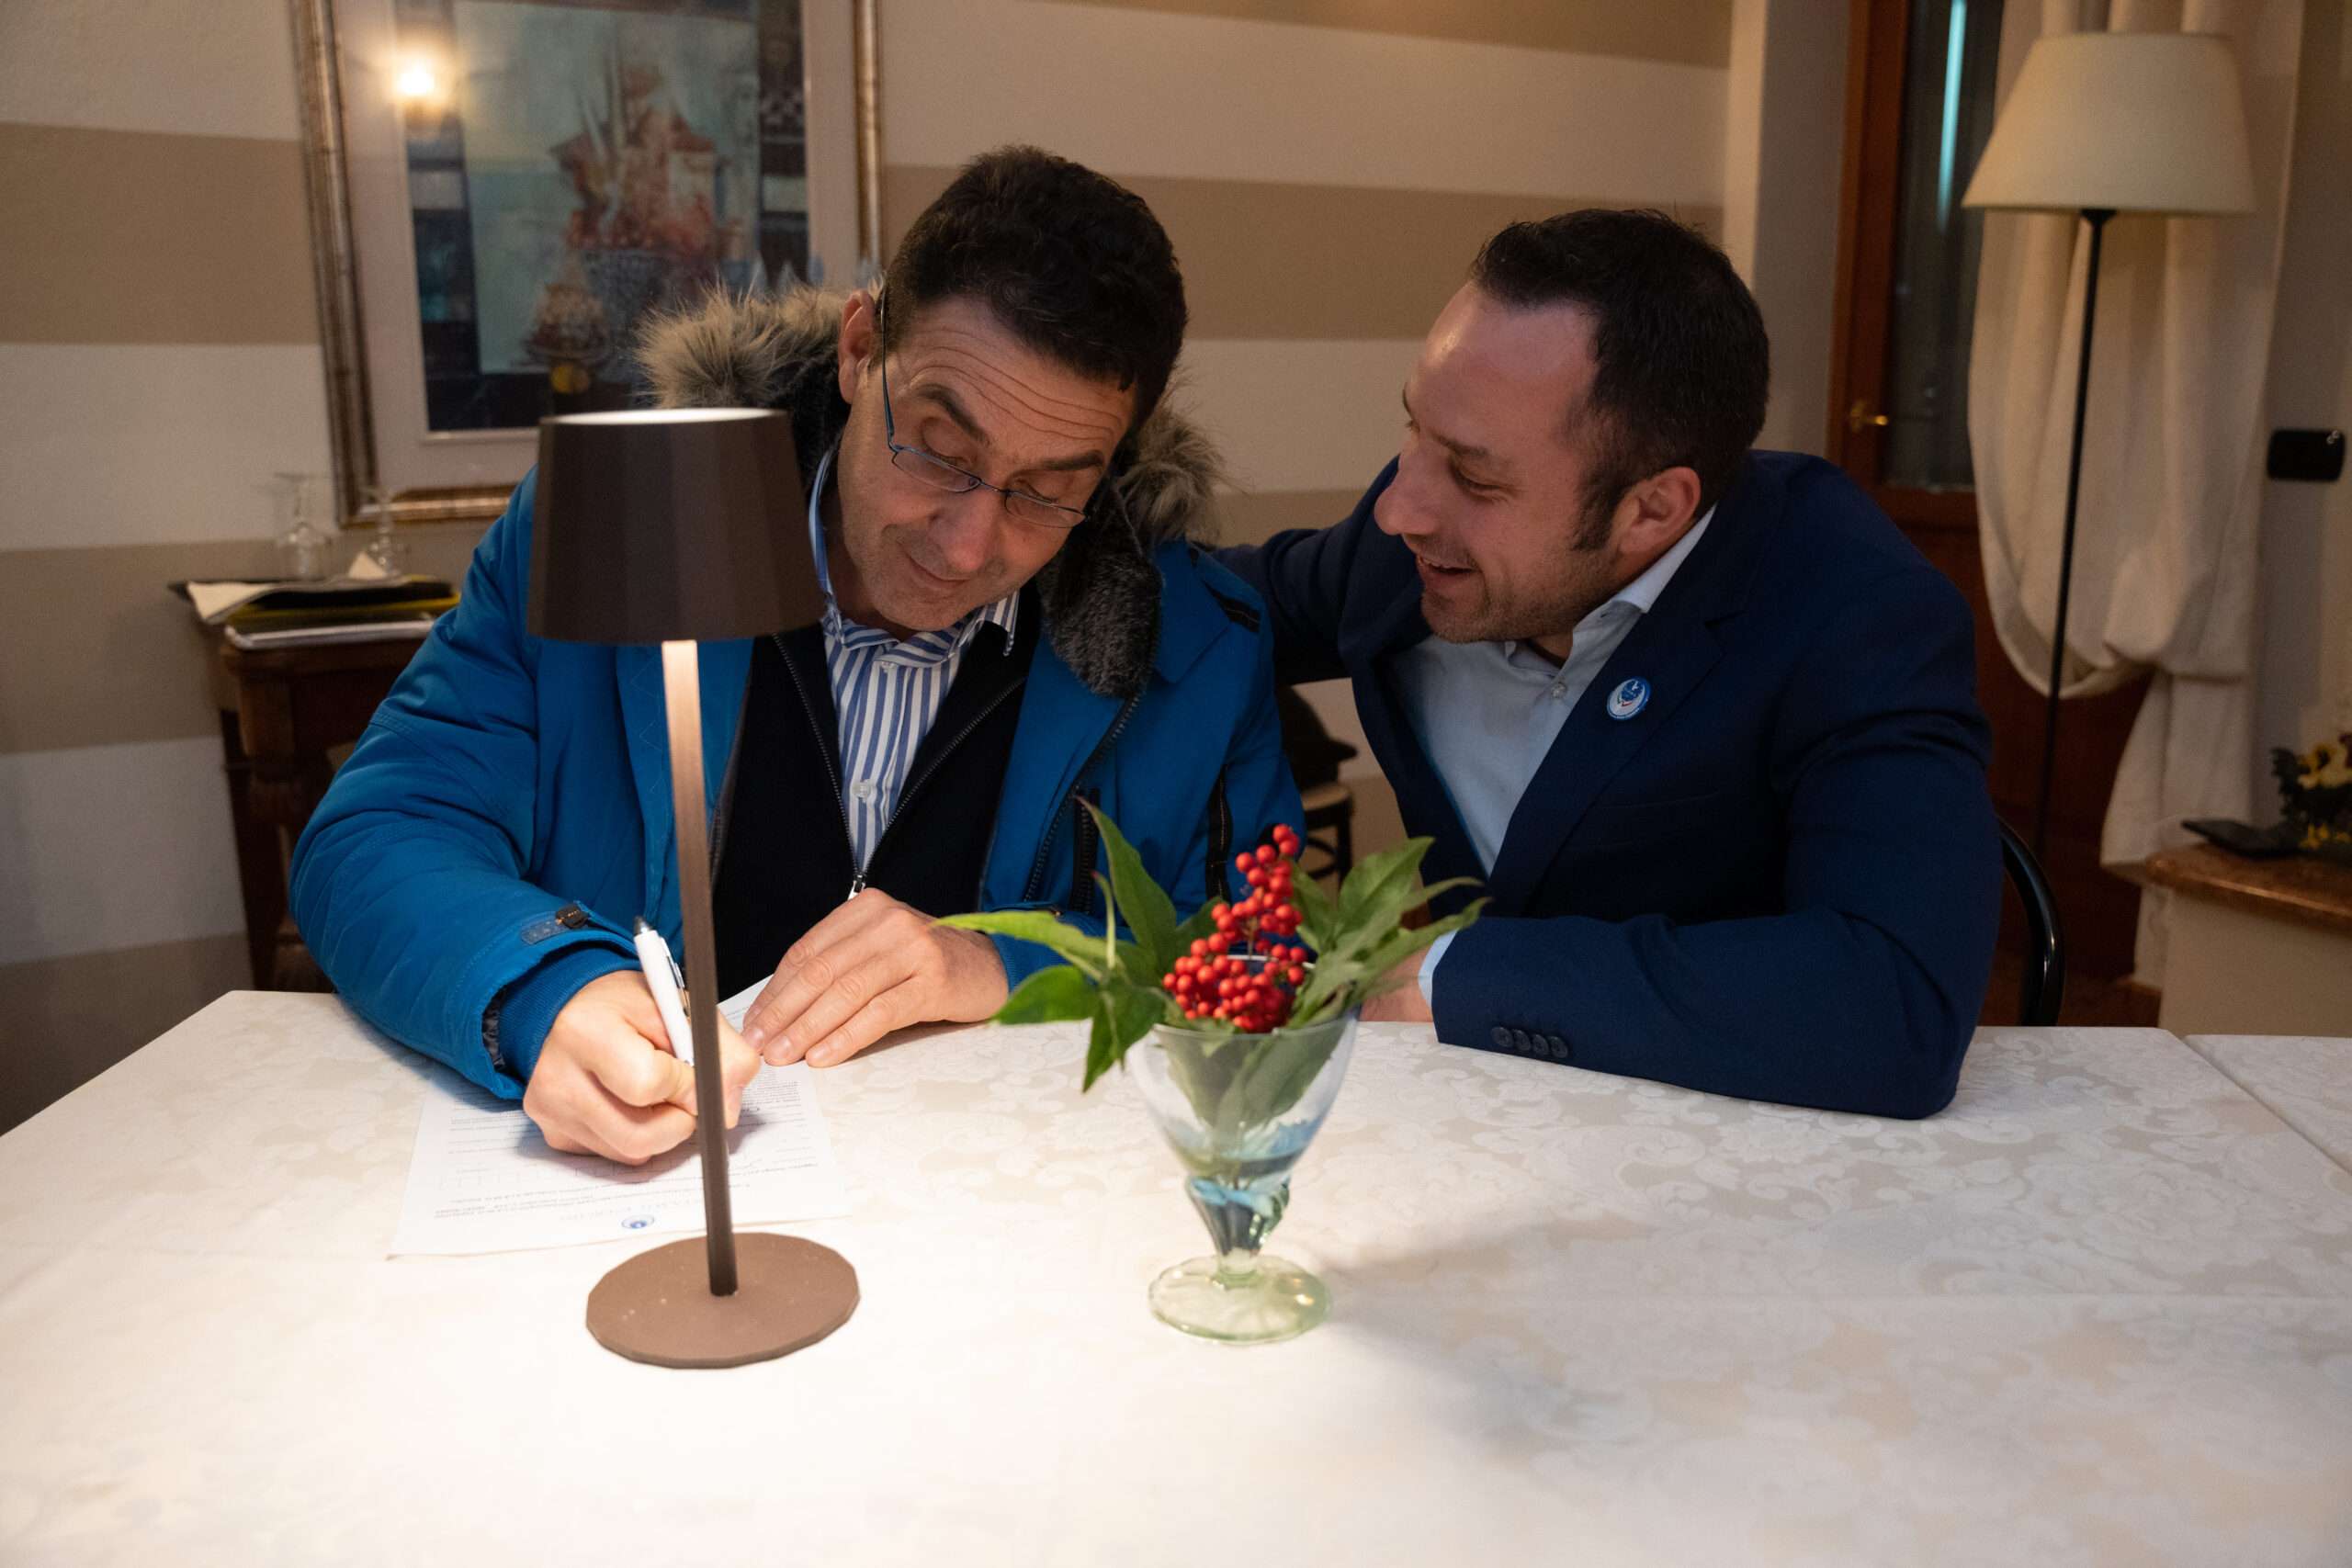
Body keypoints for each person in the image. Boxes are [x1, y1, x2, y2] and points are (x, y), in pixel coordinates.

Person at [292, 147, 1298, 1164]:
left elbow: (1263, 959)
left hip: (994, 1203)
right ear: (860, 351)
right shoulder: (609, 530)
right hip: (648, 1191)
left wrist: (1005, 966)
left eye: (1046, 492)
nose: (965, 547)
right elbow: (377, 833)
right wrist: (546, 987)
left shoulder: (1198, 647)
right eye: (939, 450)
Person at [1224, 209, 1999, 1119]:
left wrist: (1447, 974)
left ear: (1652, 512)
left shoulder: (1856, 613)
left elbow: (1893, 1004)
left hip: (1735, 1148)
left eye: (1475, 477)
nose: (1401, 507)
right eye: (1413, 430)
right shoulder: (1412, 545)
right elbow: (1216, 608)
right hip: (1471, 1124)